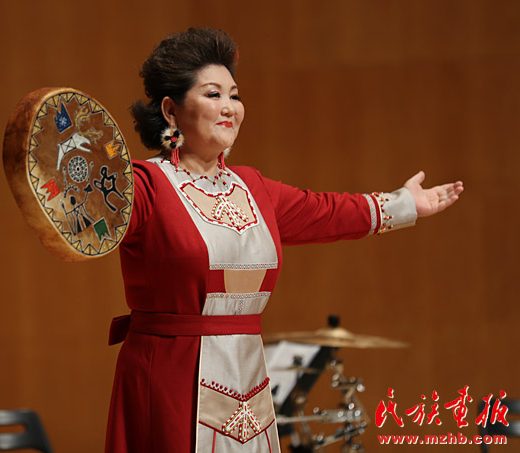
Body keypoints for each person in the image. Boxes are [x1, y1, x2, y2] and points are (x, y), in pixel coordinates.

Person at [105, 28, 463, 453]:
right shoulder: (144, 186)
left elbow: (326, 211)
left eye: (235, 96)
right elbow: (85, 225)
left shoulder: (252, 187)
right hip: (169, 379)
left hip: (247, 378)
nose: (230, 108)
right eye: (214, 94)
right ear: (171, 110)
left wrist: (404, 204)